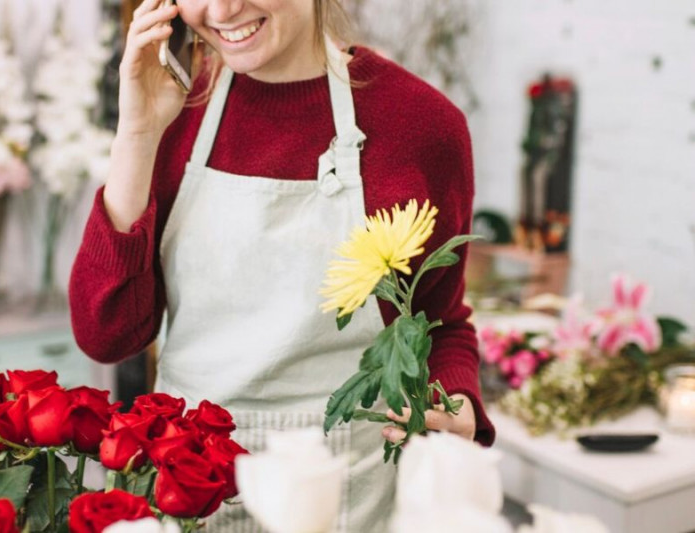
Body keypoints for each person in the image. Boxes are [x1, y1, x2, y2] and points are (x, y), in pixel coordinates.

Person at [70, 0, 495, 530]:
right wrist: (136, 134)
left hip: (349, 499)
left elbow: (442, 323)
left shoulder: (422, 127)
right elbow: (107, 336)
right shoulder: (172, 110)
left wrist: (457, 400)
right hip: (188, 493)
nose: (222, 10)